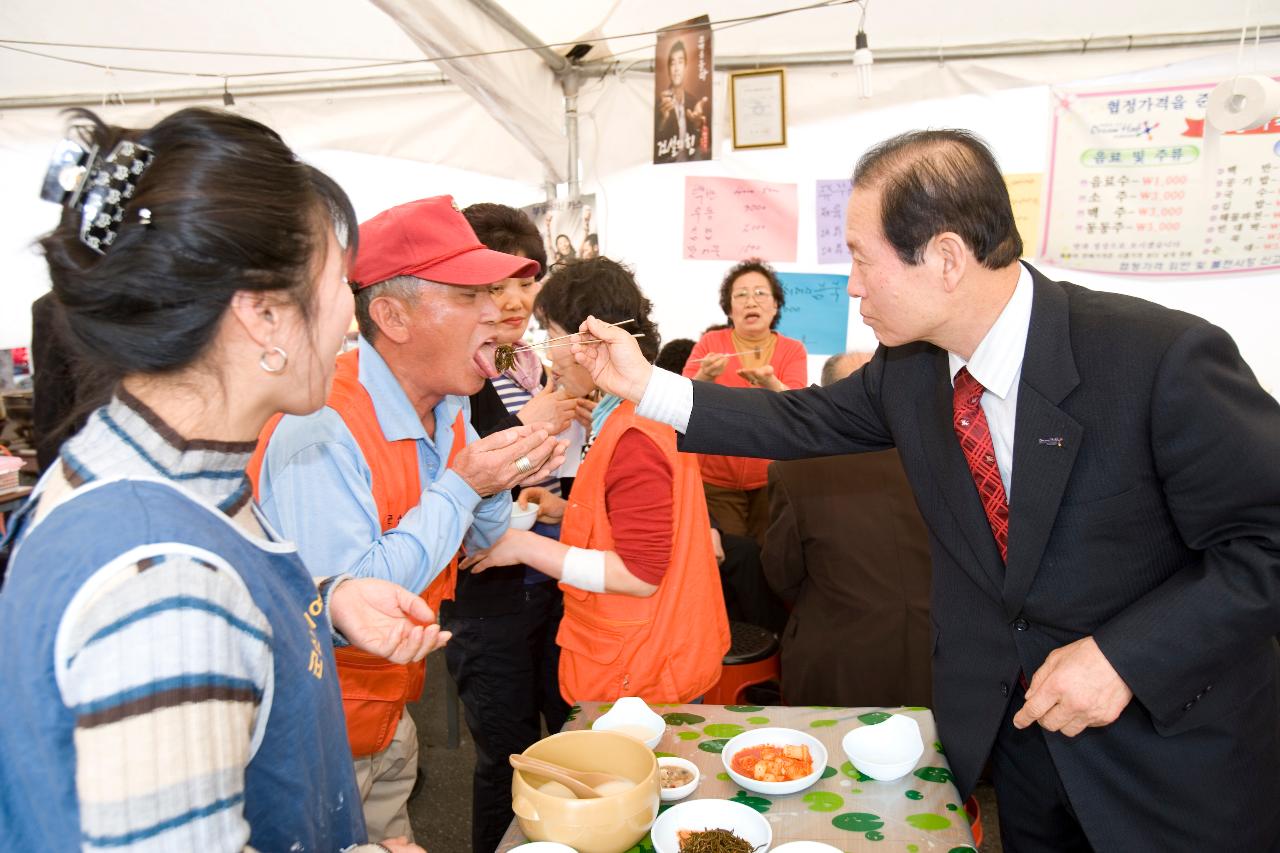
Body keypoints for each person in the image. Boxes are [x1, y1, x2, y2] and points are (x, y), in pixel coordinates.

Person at [572, 129, 1280, 852]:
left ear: (945, 258)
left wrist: (1127, 655)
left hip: (1170, 758)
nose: (850, 284)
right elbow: (795, 418)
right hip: (1025, 751)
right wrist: (644, 384)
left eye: (859, 257)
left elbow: (1267, 544)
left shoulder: (1155, 359)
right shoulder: (909, 372)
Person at [0, 107, 445, 852]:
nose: (350, 316)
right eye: (342, 282)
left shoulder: (163, 471)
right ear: (265, 316)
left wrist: (326, 601)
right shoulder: (160, 585)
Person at [250, 195, 566, 843]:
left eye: (499, 291)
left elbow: (483, 538)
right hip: (313, 740)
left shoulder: (450, 407)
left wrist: (499, 472)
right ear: (392, 315)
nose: (497, 311)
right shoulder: (321, 424)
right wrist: (463, 483)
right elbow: (350, 604)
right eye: (471, 295)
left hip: (389, 720)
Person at [464, 257, 730, 704]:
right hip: (648, 655)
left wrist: (522, 546)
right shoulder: (630, 413)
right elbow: (642, 526)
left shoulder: (634, 433)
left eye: (551, 335)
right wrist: (567, 511)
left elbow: (639, 573)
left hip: (642, 669)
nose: (549, 353)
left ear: (591, 340)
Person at [452, 201, 579, 853]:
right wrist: (538, 422)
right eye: (494, 284)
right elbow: (466, 475)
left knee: (564, 746)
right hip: (488, 599)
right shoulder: (457, 377)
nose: (514, 300)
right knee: (505, 761)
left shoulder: (527, 368)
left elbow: (534, 475)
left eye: (525, 283)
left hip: (549, 583)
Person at [764, 351, 932, 707]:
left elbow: (782, 573)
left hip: (836, 657)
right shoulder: (941, 458)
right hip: (936, 654)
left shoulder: (796, 469)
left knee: (827, 758)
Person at [682, 260, 808, 545]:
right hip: (715, 481)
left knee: (770, 556)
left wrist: (770, 383)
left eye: (761, 293)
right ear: (729, 309)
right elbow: (681, 401)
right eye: (741, 295)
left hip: (773, 479)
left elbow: (799, 409)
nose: (751, 301)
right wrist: (704, 376)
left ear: (775, 305)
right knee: (732, 557)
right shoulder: (711, 343)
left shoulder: (793, 350)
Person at [655, 38, 708, 163]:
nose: (676, 68)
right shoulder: (660, 103)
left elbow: (703, 149)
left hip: (690, 170)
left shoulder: (693, 102)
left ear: (686, 66)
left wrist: (697, 125)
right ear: (668, 68)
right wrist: (663, 121)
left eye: (680, 62)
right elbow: (655, 149)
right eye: (672, 63)